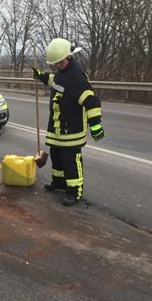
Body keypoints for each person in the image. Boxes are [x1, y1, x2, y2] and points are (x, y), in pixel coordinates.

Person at [33, 38, 105, 206]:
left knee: (70, 160)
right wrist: (42, 77)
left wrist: (95, 125)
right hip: (58, 127)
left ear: (69, 57)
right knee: (57, 157)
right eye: (55, 64)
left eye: (60, 62)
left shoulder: (76, 77)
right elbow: (56, 82)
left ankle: (74, 191)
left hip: (71, 130)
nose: (57, 66)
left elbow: (91, 102)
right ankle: (59, 182)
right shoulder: (63, 74)